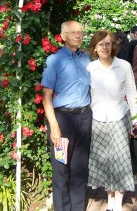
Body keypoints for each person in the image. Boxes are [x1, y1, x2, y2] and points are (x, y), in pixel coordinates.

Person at [87, 30, 137, 211]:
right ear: (94, 48)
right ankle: (110, 202)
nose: (105, 47)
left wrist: (136, 121)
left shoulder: (123, 66)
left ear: (113, 45)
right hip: (98, 120)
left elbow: (132, 94)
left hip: (119, 117)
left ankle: (117, 204)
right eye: (100, 44)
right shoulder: (90, 68)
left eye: (108, 43)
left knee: (120, 160)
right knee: (105, 162)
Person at [41, 21, 92, 211]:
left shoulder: (87, 59)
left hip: (85, 118)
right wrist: (54, 126)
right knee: (61, 170)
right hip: (62, 120)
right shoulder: (54, 60)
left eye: (80, 32)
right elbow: (46, 96)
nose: (78, 35)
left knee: (80, 169)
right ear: (62, 36)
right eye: (73, 32)